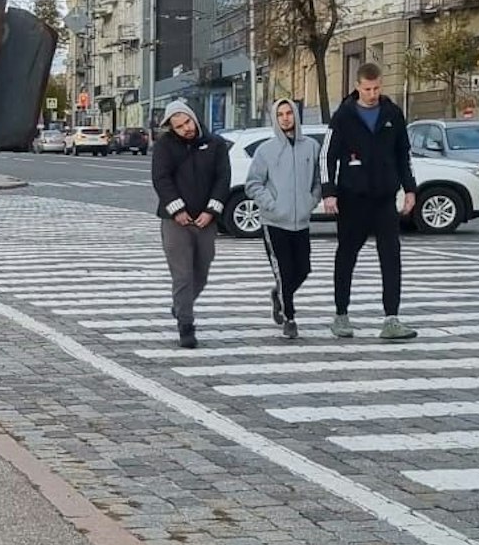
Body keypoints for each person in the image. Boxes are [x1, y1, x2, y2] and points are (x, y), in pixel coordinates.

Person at [321, 63, 419, 341]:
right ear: (357, 87)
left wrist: (410, 189)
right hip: (352, 199)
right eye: (367, 89)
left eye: (377, 88)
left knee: (391, 257)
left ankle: (392, 318)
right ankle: (341, 314)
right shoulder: (344, 116)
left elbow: (404, 154)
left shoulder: (393, 114)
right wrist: (329, 192)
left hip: (385, 199)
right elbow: (327, 155)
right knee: (346, 257)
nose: (373, 93)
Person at [150, 97, 229, 349]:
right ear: (171, 128)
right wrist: (177, 210)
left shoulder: (215, 144)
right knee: (182, 275)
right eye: (179, 126)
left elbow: (223, 179)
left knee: (201, 273)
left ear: (194, 117)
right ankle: (186, 325)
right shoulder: (165, 147)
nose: (186, 128)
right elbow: (161, 179)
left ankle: (179, 306)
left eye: (187, 122)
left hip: (206, 220)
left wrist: (211, 211)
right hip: (176, 222)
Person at [245, 98, 322, 340]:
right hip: (275, 221)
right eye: (281, 114)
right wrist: (272, 204)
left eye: (289, 113)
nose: (286, 118)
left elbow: (318, 181)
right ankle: (290, 317)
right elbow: (253, 184)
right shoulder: (266, 151)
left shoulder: (310, 147)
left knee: (303, 269)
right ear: (275, 118)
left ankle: (278, 295)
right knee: (285, 271)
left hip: (301, 221)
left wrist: (311, 200)